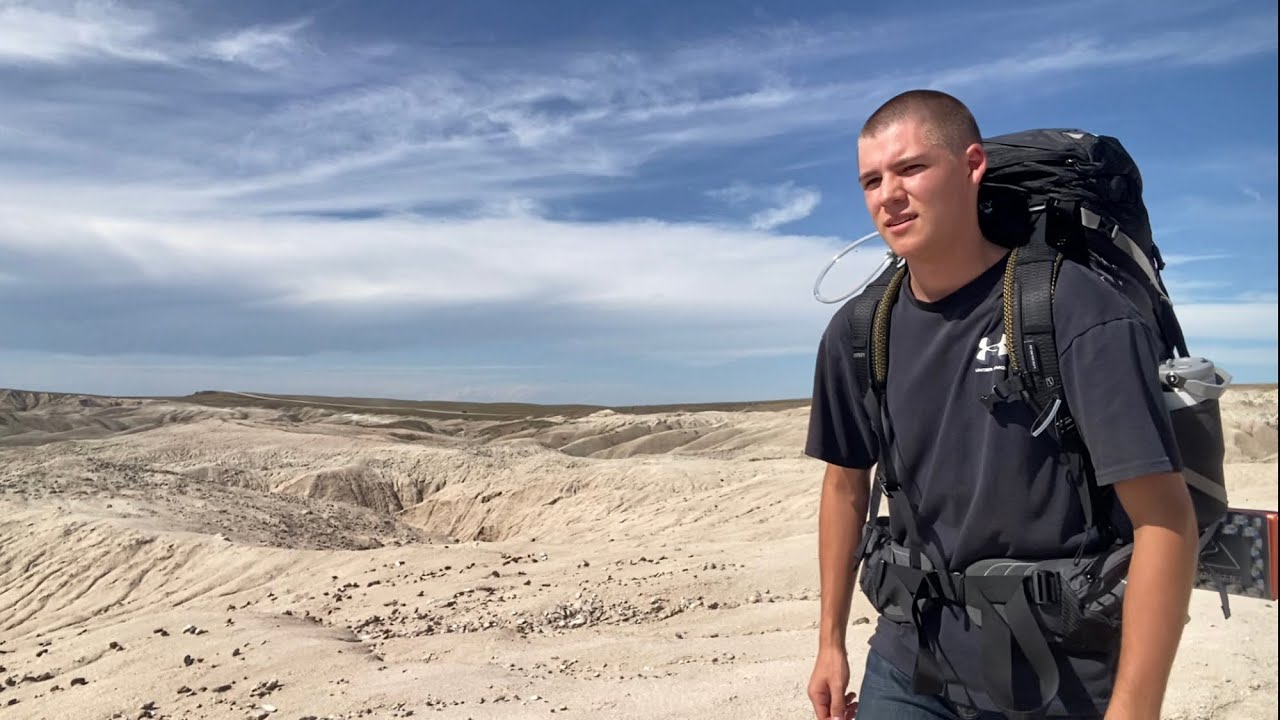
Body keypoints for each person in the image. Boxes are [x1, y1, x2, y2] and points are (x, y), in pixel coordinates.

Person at [803, 89, 1201, 720]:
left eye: (911, 168)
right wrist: (830, 642)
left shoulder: (1073, 309)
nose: (888, 195)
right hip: (910, 666)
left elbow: (1164, 520)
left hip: (1058, 678)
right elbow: (845, 485)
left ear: (972, 165)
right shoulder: (859, 330)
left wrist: (1134, 709)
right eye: (871, 180)